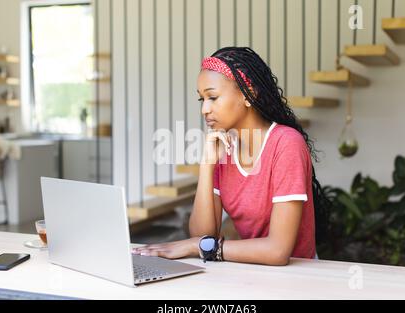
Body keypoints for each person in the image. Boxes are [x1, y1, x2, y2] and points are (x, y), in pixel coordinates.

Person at [132, 47, 330, 265]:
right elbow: (202, 234)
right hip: (253, 271)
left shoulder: (286, 144)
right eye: (202, 100)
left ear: (249, 95)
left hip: (299, 277)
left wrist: (194, 247)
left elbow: (277, 251)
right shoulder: (224, 148)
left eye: (213, 97)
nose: (205, 110)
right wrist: (207, 165)